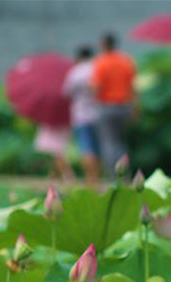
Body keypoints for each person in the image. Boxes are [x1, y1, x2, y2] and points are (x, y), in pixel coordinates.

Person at [91, 33, 136, 175]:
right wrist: (135, 108)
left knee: (109, 143)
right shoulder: (125, 60)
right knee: (121, 142)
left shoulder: (101, 62)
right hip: (124, 106)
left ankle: (113, 177)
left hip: (106, 106)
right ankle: (126, 174)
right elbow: (133, 86)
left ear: (104, 45)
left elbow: (97, 87)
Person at [63, 46, 101, 186]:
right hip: (98, 113)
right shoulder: (97, 68)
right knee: (99, 147)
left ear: (78, 57)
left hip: (81, 115)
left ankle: (91, 179)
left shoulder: (75, 72)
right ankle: (98, 176)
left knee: (86, 148)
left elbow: (67, 93)